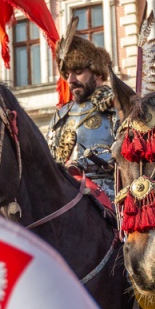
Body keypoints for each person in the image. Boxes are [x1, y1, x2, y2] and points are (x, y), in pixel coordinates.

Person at [47, 23, 119, 202]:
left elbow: (127, 156)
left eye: (78, 72)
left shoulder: (115, 107)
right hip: (65, 194)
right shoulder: (61, 115)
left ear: (97, 73)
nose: (70, 80)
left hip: (108, 196)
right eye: (68, 74)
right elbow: (49, 160)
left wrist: (84, 164)